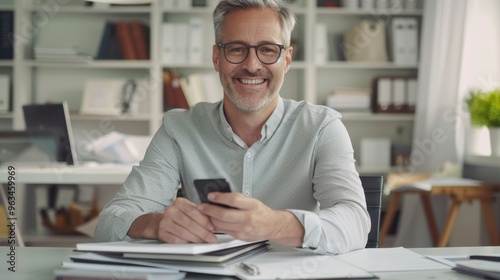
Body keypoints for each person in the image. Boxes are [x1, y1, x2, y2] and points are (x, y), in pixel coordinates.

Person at [95, 0, 370, 255]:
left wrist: (276, 224)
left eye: (267, 50)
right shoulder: (178, 128)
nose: (252, 66)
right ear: (217, 58)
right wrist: (154, 224)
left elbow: (356, 223)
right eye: (237, 49)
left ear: (286, 59)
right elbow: (110, 221)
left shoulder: (322, 127)